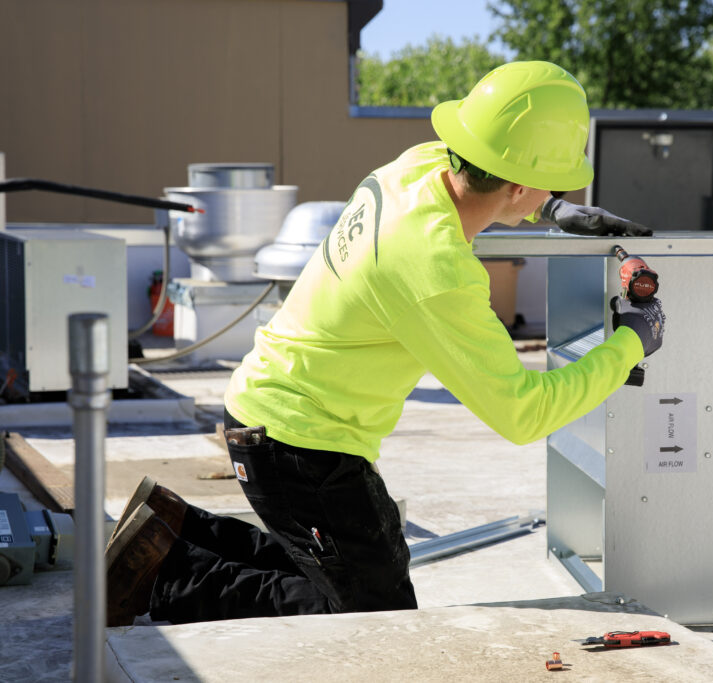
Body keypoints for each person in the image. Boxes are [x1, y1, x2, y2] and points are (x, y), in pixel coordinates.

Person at [104, 60, 665, 626]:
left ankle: (173, 530)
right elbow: (524, 413)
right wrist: (631, 344)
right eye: (557, 182)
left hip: (273, 411)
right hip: (301, 447)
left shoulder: (418, 165)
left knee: (348, 565)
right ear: (519, 183)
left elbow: (496, 171)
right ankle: (166, 579)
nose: (559, 191)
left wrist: (553, 209)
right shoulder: (436, 267)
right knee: (377, 617)